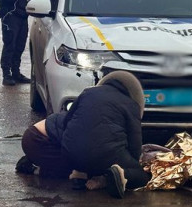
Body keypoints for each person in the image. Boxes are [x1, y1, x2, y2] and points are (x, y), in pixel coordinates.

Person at [61, 71, 151, 199]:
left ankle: (80, 175)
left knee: (90, 156)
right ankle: (116, 177)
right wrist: (133, 164)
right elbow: (135, 144)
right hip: (105, 155)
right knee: (142, 176)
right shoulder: (131, 104)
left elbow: (66, 121)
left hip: (70, 154)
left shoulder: (87, 93)